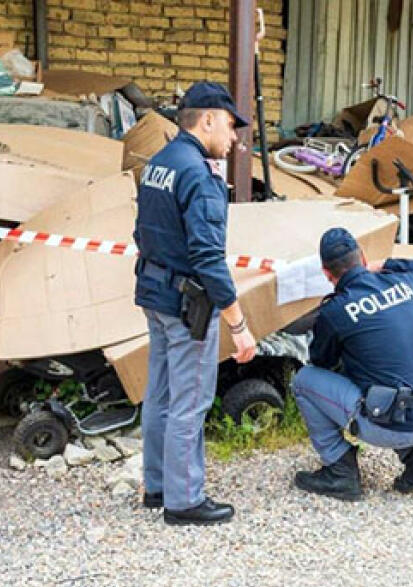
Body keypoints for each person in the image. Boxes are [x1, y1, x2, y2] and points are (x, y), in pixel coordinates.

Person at [133, 81, 257, 526]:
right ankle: (184, 501)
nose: (234, 137)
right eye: (229, 125)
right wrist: (238, 323)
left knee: (160, 394)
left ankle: (159, 487)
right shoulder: (200, 175)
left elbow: (140, 232)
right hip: (188, 305)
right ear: (206, 119)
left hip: (155, 293)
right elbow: (208, 255)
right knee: (190, 399)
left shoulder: (159, 162)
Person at [291, 228, 413, 501]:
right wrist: (387, 264)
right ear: (363, 258)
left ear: (326, 274)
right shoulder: (403, 284)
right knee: (392, 370)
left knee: (305, 381)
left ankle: (340, 471)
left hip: (391, 426)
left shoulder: (336, 310)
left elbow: (322, 362)